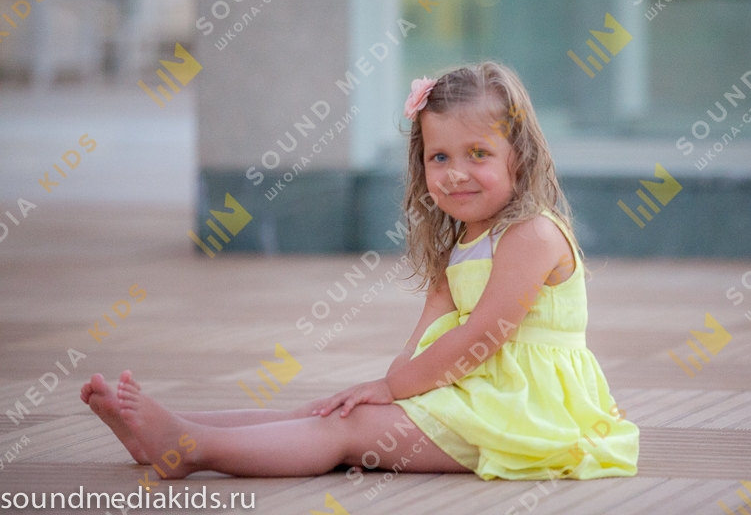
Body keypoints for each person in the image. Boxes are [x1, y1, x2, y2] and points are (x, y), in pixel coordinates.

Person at [80, 61, 639, 481]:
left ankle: (192, 449)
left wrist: (393, 388)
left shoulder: (531, 234)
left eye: (478, 154)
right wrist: (390, 384)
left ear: (521, 154)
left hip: (527, 414)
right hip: (478, 393)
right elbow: (429, 328)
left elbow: (482, 336)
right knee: (328, 409)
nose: (455, 173)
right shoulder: (464, 240)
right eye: (439, 157)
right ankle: (168, 431)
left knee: (346, 429)